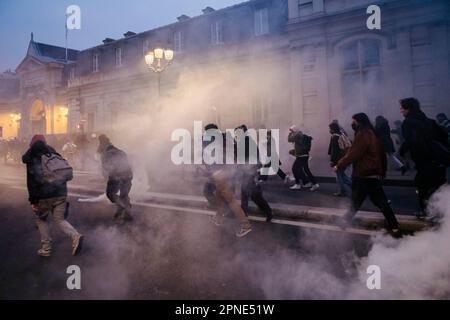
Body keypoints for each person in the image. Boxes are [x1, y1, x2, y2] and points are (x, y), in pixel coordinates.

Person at [334, 113, 400, 236]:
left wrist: (339, 165)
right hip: (371, 173)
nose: (352, 123)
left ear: (359, 122)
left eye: (353, 121)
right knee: (359, 200)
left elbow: (354, 153)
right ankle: (344, 222)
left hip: (364, 173)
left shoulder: (363, 134)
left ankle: (394, 225)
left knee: (377, 201)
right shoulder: (372, 132)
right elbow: (380, 154)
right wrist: (381, 171)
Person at [22, 135, 83, 257]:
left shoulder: (32, 156)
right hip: (61, 193)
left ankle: (46, 248)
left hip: (44, 195)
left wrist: (33, 201)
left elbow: (32, 181)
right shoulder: (53, 153)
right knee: (60, 219)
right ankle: (75, 236)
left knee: (40, 219)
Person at [399, 98, 448, 219]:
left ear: (408, 109)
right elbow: (443, 136)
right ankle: (441, 212)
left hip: (424, 161)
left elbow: (412, 140)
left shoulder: (408, 122)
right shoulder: (429, 121)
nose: (400, 111)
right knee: (438, 187)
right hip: (438, 160)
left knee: (422, 186)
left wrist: (402, 150)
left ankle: (427, 212)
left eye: (402, 108)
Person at [234, 125, 273, 222]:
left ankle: (268, 212)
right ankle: (244, 213)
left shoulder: (246, 142)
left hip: (250, 172)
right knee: (245, 193)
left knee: (255, 195)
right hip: (248, 172)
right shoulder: (245, 142)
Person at [97, 134, 133, 221]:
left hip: (116, 175)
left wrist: (106, 178)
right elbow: (128, 164)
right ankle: (127, 214)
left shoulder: (105, 154)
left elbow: (106, 167)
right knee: (124, 195)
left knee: (110, 193)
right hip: (128, 174)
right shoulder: (121, 152)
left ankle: (120, 206)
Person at [288, 126, 319, 191]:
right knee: (306, 170)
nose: (291, 132)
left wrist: (290, 133)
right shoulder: (301, 135)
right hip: (305, 155)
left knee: (294, 168)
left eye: (292, 131)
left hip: (301, 156)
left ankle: (297, 184)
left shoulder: (297, 135)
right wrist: (294, 151)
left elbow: (289, 139)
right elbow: (300, 146)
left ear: (294, 131)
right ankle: (311, 183)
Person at [328, 122, 352, 197]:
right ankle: (354, 187)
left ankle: (343, 191)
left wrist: (332, 161)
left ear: (332, 129)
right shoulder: (341, 134)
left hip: (338, 159)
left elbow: (334, 150)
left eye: (330, 128)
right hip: (344, 157)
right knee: (342, 175)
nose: (329, 130)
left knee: (339, 177)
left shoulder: (335, 137)